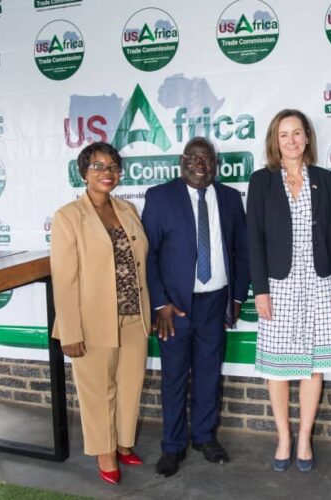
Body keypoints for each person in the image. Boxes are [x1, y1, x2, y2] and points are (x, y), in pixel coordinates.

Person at [142, 137, 250, 478]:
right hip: (174, 309)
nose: (200, 165)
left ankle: (205, 437)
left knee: (208, 374)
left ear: (215, 164)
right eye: (193, 158)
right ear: (182, 161)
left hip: (215, 303)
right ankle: (172, 446)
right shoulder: (160, 197)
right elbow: (149, 255)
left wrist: (236, 298)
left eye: (207, 159)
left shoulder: (230, 198)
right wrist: (161, 303)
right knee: (174, 377)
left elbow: (243, 251)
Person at [246, 109, 331, 472]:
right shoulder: (261, 181)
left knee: (313, 367)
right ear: (275, 140)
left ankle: (304, 438)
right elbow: (254, 239)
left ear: (307, 137)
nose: (291, 140)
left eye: (297, 133)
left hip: (318, 283)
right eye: (284, 134)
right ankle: (283, 438)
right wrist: (260, 290)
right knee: (278, 368)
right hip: (278, 285)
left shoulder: (323, 179)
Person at [50, 142, 151, 484]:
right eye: (98, 166)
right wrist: (70, 331)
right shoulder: (68, 216)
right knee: (98, 391)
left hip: (134, 316)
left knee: (130, 386)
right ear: (83, 173)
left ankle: (123, 443)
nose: (106, 173)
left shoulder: (127, 209)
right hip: (92, 322)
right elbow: (65, 280)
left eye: (113, 167)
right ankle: (105, 453)